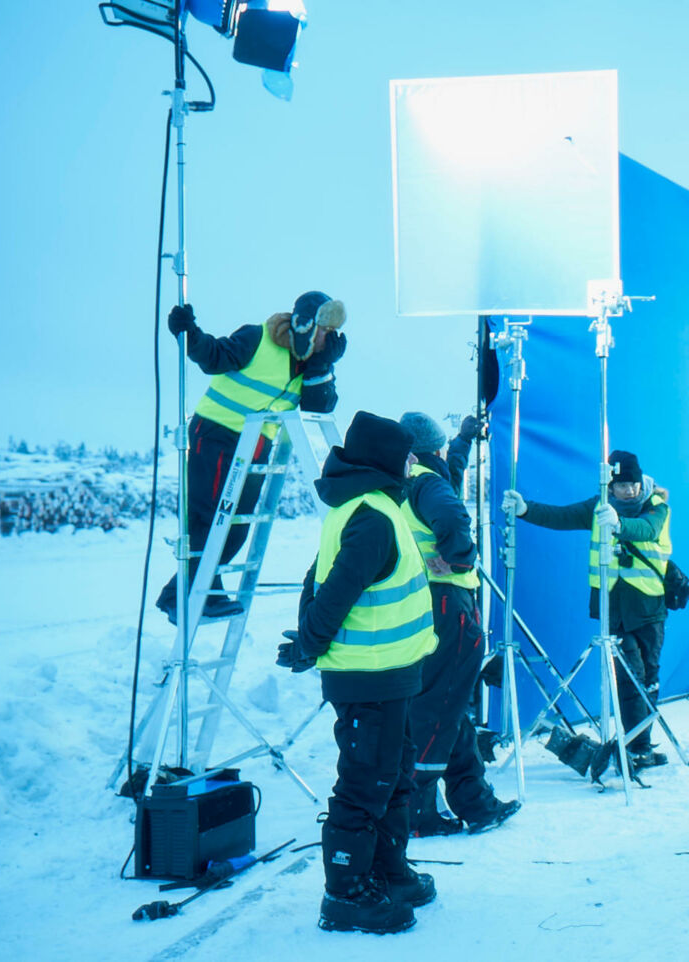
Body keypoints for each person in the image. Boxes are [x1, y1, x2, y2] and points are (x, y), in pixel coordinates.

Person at [275, 411, 438, 934]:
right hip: (367, 677)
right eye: (407, 455)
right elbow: (336, 588)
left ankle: (387, 871)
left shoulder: (370, 507)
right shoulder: (371, 515)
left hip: (390, 675)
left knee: (394, 775)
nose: (414, 463)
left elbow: (315, 575)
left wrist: (307, 638)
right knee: (367, 782)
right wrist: (308, 643)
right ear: (385, 460)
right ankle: (345, 893)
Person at [155, 292, 347, 623]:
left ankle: (179, 593)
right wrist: (189, 333)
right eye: (326, 331)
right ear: (305, 325)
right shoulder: (258, 337)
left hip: (255, 445)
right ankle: (196, 594)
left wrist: (321, 366)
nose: (330, 338)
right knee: (210, 518)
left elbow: (320, 406)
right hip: (217, 433)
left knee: (237, 529)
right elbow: (214, 356)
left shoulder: (310, 363)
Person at [501, 450, 671, 770]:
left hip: (649, 609)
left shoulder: (657, 507)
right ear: (610, 483)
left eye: (633, 484)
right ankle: (636, 747)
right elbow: (560, 516)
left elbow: (647, 529)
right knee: (629, 676)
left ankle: (640, 745)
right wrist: (525, 509)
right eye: (621, 486)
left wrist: (620, 523)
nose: (629, 491)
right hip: (614, 609)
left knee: (648, 678)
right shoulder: (597, 507)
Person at [398, 412, 520, 836]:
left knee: (451, 703)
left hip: (424, 604)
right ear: (431, 449)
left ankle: (476, 802)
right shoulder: (428, 483)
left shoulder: (406, 479)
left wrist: (466, 437)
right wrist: (461, 557)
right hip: (449, 603)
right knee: (440, 705)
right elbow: (451, 516)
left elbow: (454, 467)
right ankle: (418, 811)